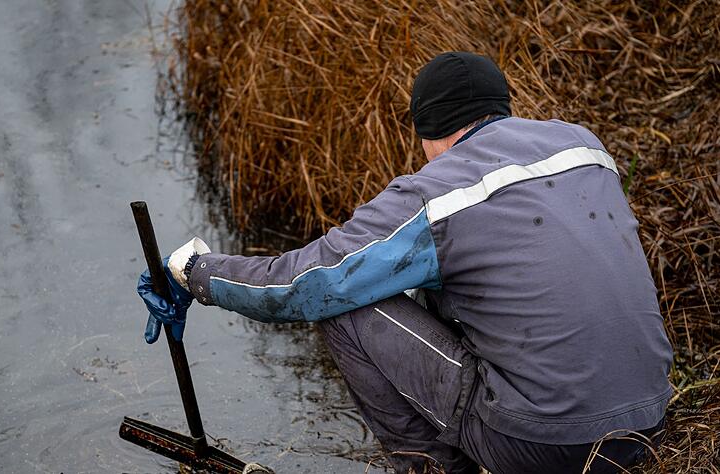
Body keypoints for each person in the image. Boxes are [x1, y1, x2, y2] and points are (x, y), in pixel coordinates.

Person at [137, 52, 673, 474]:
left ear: (427, 129)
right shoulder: (582, 147)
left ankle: (432, 470)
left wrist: (195, 273)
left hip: (545, 446)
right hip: (644, 422)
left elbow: (306, 284)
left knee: (344, 304)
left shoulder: (440, 191)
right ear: (501, 108)